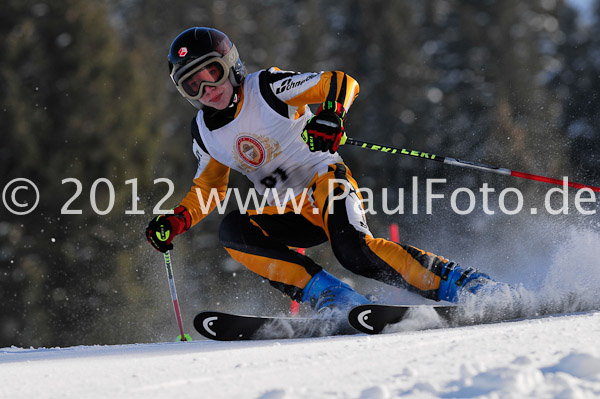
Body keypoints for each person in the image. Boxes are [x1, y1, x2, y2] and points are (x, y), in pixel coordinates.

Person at [146, 27, 496, 315]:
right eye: (193, 85)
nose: (208, 90)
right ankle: (334, 298)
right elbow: (209, 189)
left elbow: (341, 82)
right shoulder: (205, 133)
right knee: (234, 231)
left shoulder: (267, 88)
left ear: (231, 65)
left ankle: (464, 284)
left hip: (325, 183)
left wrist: (331, 114)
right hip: (289, 210)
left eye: (212, 73)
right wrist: (177, 220)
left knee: (354, 251)